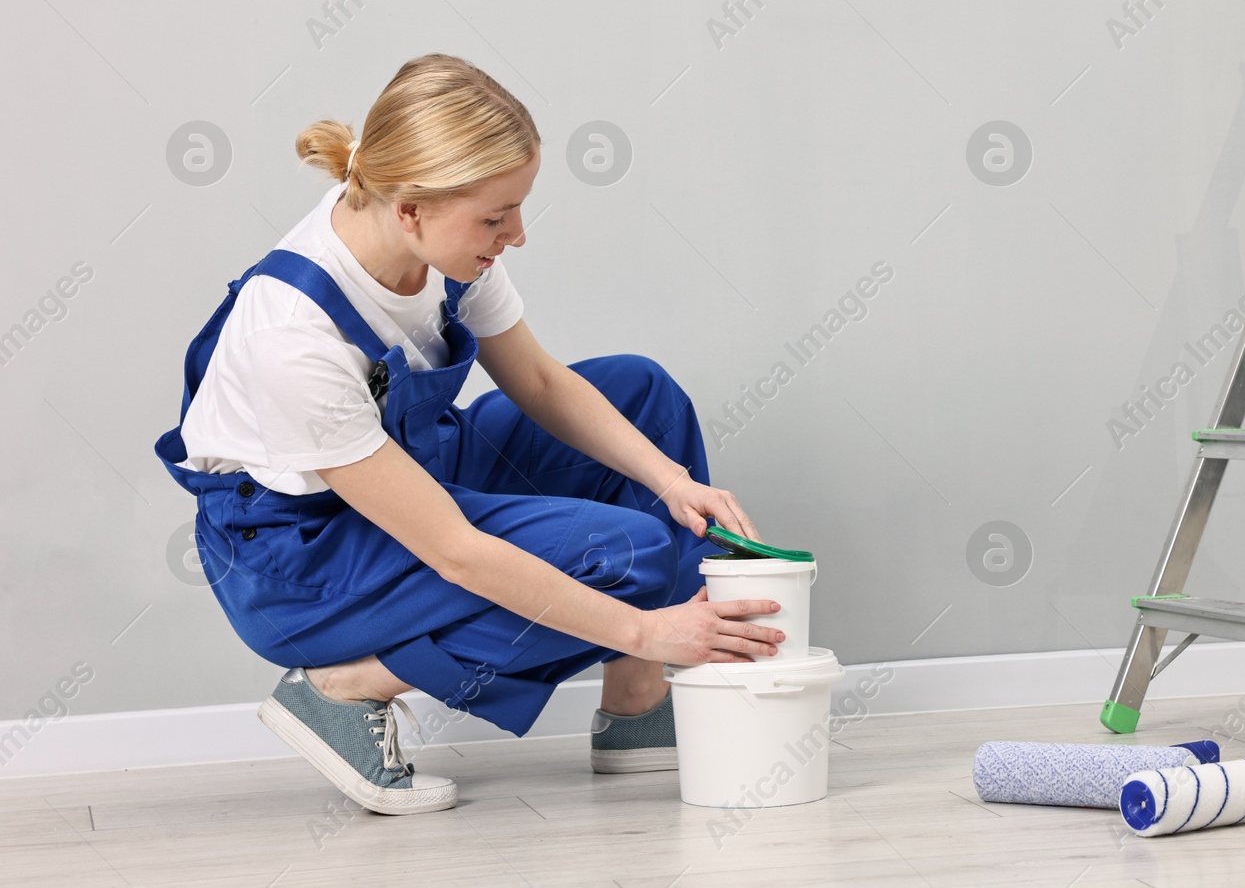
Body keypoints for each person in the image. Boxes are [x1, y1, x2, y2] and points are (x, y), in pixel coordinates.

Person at [153, 53, 783, 816]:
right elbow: (455, 549)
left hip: (411, 471)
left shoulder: (445, 249)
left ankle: (635, 707)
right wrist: (650, 628)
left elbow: (542, 383)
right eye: (496, 216)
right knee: (631, 559)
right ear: (411, 207)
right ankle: (345, 687)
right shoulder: (294, 334)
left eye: (516, 207)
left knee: (641, 393)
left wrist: (672, 482)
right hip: (299, 560)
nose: (515, 234)